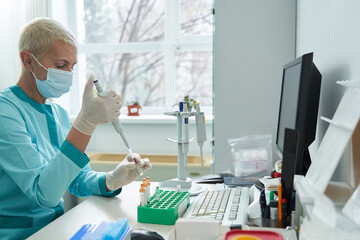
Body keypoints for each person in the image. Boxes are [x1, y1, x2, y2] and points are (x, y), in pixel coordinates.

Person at [0, 18, 151, 239]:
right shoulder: (6, 111)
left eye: (72, 66)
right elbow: (44, 193)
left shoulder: (57, 113)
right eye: (61, 66)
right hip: (20, 233)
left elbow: (76, 178)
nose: (68, 73)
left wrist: (110, 180)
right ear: (28, 61)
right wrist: (85, 123)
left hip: (56, 227)